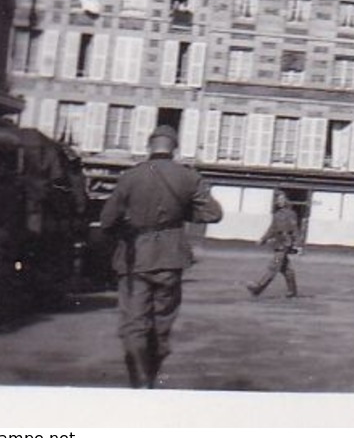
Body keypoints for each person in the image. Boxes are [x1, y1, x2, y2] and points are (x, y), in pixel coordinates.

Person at [98, 125, 222, 388]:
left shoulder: (130, 176)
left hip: (134, 258)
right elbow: (213, 214)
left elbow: (107, 220)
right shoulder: (189, 177)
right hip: (171, 257)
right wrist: (182, 212)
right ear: (174, 148)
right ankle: (151, 378)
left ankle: (139, 381)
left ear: (149, 146)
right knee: (162, 320)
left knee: (134, 322)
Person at [246, 191, 300, 299]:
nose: (279, 202)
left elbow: (294, 229)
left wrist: (297, 244)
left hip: (285, 243)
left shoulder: (291, 214)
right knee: (287, 269)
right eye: (278, 200)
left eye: (282, 199)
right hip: (278, 242)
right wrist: (263, 239)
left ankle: (258, 287)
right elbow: (272, 229)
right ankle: (292, 291)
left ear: (286, 201)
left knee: (274, 266)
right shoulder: (277, 214)